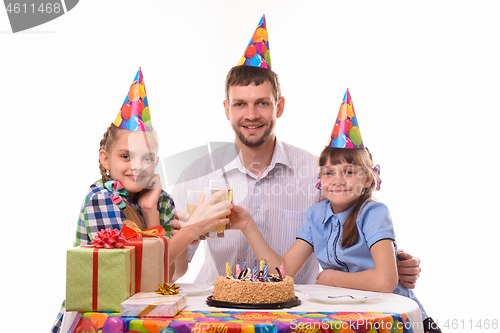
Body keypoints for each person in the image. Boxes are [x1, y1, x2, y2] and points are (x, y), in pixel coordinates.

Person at [171, 16, 421, 287]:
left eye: (262, 103)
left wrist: (396, 264)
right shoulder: (195, 176)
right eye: (240, 104)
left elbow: (357, 233)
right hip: (217, 307)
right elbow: (173, 271)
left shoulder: (319, 175)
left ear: (279, 107)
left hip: (297, 312)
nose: (251, 115)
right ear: (226, 109)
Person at [229, 89, 441, 333]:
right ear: (320, 179)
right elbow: (282, 272)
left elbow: (385, 281)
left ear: (368, 180)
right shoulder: (316, 215)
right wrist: (248, 226)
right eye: (329, 172)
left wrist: (333, 278)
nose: (338, 180)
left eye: (349, 172)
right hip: (352, 320)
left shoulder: (373, 213)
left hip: (396, 320)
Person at [51, 68, 230, 333]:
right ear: (105, 159)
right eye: (126, 156)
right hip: (98, 319)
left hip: (139, 317)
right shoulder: (100, 199)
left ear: (156, 162)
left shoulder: (161, 201)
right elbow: (119, 278)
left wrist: (151, 213)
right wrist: (194, 228)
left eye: (146, 158)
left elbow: (170, 275)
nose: (137, 166)